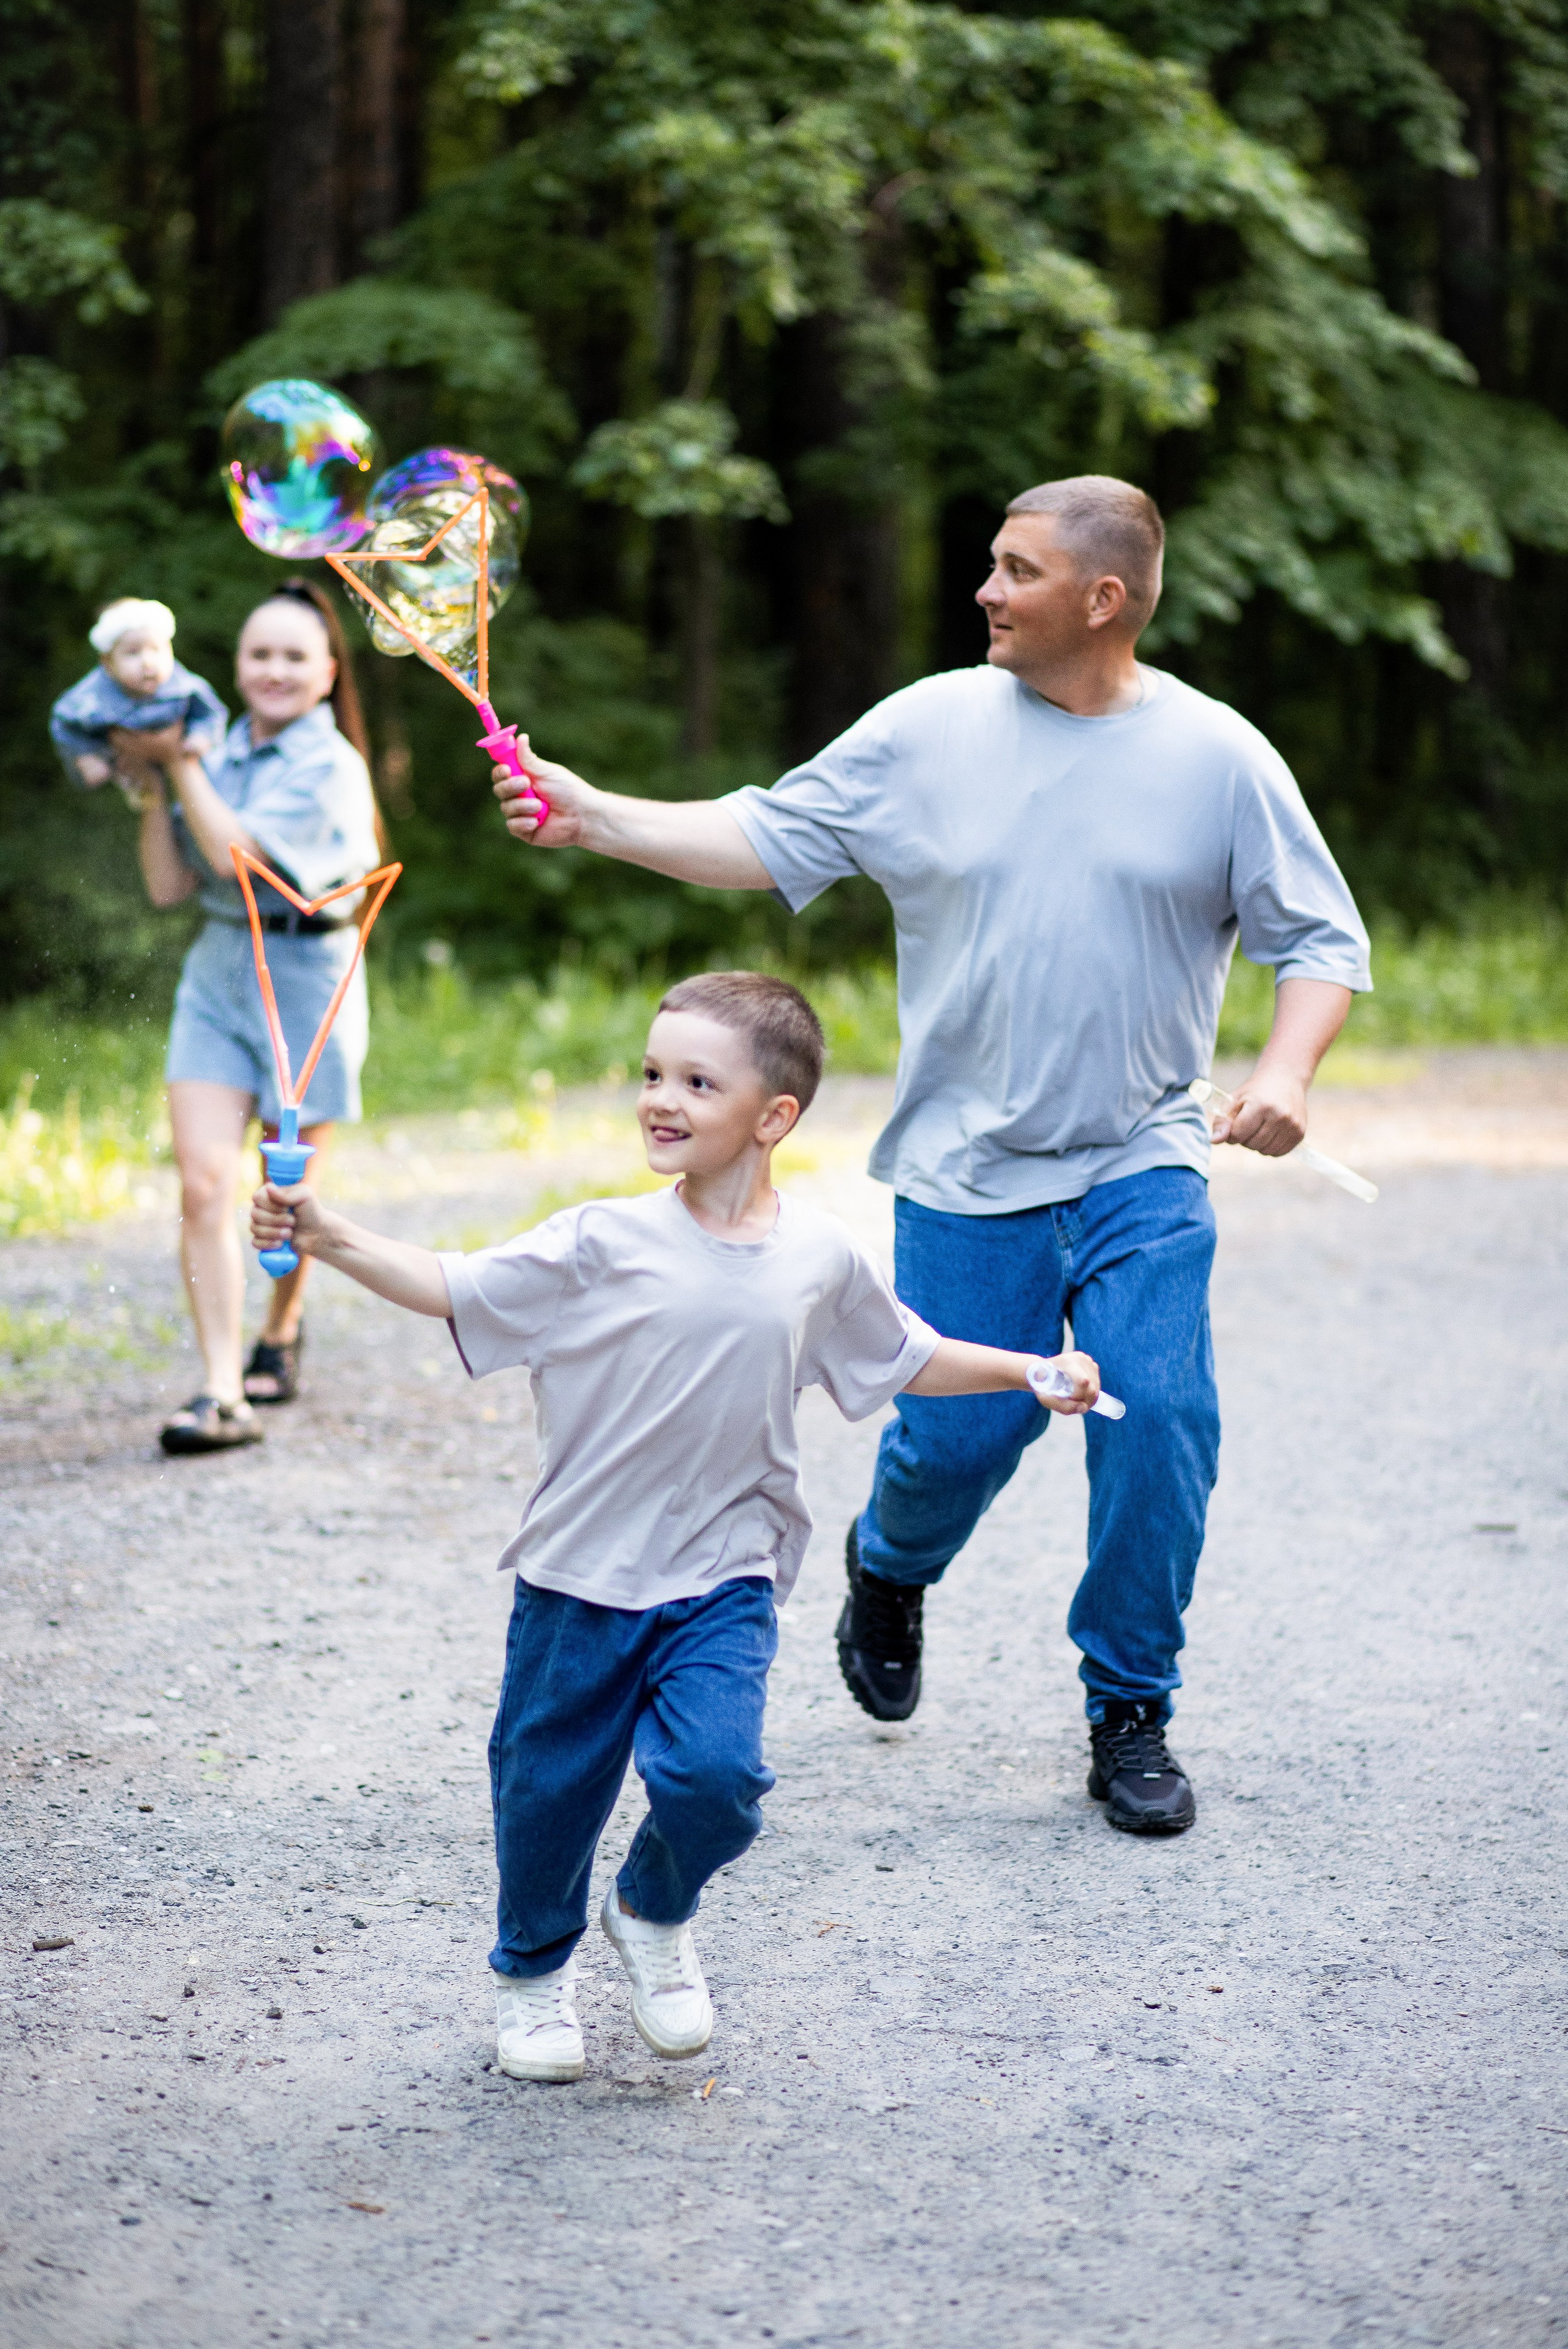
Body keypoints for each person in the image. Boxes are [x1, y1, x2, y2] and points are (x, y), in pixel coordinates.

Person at [487, 475, 1372, 1838]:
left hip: (1140, 1158)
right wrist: (593, 811)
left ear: (1102, 599)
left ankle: (1128, 1706)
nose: (983, 591)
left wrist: (1284, 1071)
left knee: (1159, 1416)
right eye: (988, 564)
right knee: (959, 1438)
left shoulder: (1218, 758)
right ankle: (890, 1564)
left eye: (1014, 571)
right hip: (966, 1170)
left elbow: (1315, 939)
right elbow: (769, 836)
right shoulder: (927, 729)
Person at [249, 971, 1104, 2081]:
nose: (662, 1098)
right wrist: (326, 1233)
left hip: (725, 1575)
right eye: (655, 1074)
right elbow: (451, 1286)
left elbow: (902, 1353)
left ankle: (653, 1911)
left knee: (718, 1781)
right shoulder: (598, 1243)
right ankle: (532, 1974)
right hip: (578, 1573)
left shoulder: (818, 1258)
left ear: (773, 1117)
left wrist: (1028, 1369)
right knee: (547, 1790)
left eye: (698, 1081)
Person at [118, 578, 384, 1455]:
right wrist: (155, 785)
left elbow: (244, 865)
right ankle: (221, 1390)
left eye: (293, 656)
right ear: (235, 665)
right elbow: (167, 887)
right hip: (220, 973)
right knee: (202, 1181)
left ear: (327, 670)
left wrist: (178, 760)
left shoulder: (329, 766)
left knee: (283, 1189)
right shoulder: (218, 747)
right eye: (258, 653)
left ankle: (284, 1325)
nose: (273, 669)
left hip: (308, 975)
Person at [50, 597, 227, 795]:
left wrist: (201, 736)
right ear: (108, 663)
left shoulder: (182, 685)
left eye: (157, 650)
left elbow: (212, 713)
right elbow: (64, 722)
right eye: (133, 653)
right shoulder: (93, 695)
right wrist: (86, 756)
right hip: (127, 771)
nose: (148, 663)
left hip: (184, 763)